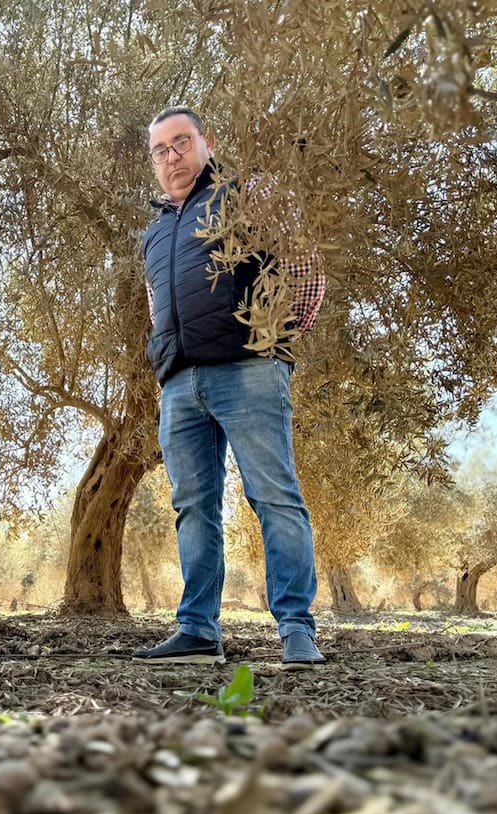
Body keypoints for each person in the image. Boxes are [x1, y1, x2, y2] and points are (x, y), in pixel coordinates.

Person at [132, 106, 327, 669]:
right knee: (193, 507)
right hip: (179, 384)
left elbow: (307, 268)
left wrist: (278, 343)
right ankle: (197, 630)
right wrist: (163, 358)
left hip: (248, 371)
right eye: (161, 150)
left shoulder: (247, 197)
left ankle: (296, 629)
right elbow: (155, 306)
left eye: (182, 143)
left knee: (274, 497)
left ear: (206, 142)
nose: (172, 158)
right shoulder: (156, 232)